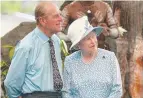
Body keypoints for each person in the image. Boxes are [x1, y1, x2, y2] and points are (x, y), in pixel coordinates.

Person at [4, 1, 63, 98]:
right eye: (56, 16)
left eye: (60, 15)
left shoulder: (55, 41)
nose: (61, 19)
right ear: (43, 21)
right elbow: (11, 82)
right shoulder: (26, 46)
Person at [63, 16, 122, 98]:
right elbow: (66, 92)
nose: (93, 41)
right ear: (78, 45)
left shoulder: (110, 57)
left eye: (93, 36)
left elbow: (117, 89)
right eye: (87, 39)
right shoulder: (70, 61)